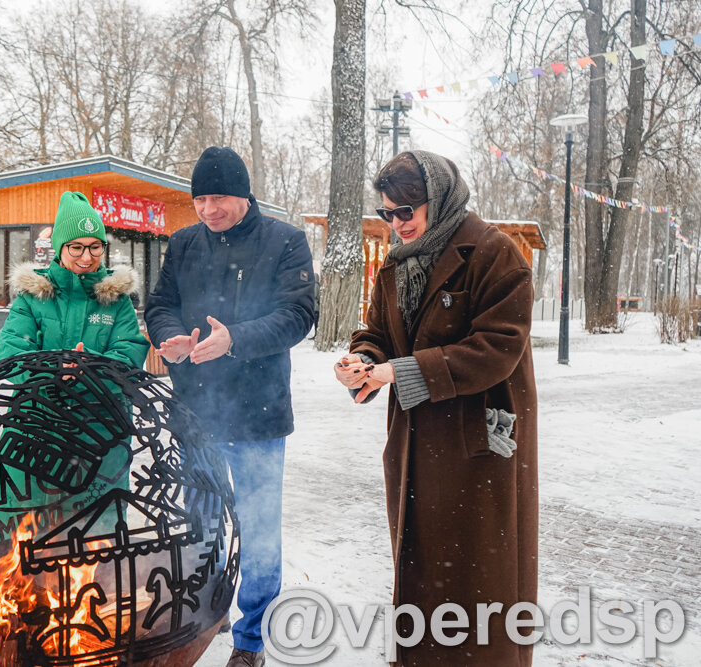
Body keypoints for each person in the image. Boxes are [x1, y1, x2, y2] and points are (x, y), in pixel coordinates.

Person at [334, 151, 538, 666]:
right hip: (413, 445)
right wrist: (363, 359)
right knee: (422, 572)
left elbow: (497, 348)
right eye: (387, 213)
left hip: (478, 447)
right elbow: (378, 331)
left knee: (480, 586)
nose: (397, 223)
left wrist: (404, 372)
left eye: (407, 211)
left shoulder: (496, 255)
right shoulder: (396, 263)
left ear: (440, 199)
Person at [145, 146, 315, 667]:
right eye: (199, 199)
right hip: (196, 414)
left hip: (259, 415)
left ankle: (251, 639)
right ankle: (203, 614)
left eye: (218, 197)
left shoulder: (285, 241)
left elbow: (299, 314)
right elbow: (160, 304)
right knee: (199, 524)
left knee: (259, 527)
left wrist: (234, 339)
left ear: (243, 195)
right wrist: (170, 337)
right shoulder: (183, 243)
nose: (208, 209)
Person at [0, 190, 150, 530]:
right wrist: (55, 369)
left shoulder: (117, 301)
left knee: (96, 532)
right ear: (60, 250)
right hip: (36, 428)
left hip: (100, 430)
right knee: (24, 529)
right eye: (76, 247)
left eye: (95, 246)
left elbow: (130, 356)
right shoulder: (32, 297)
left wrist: (87, 367)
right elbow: (11, 354)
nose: (86, 256)